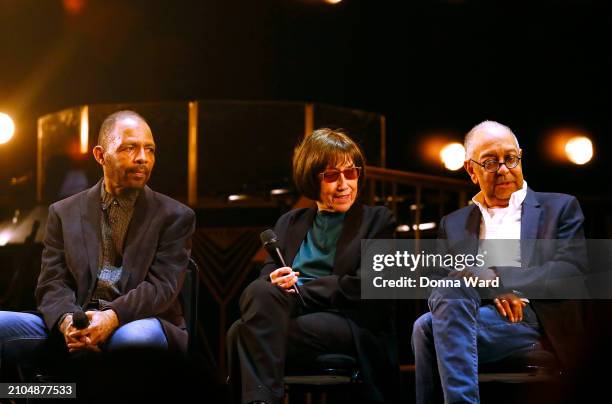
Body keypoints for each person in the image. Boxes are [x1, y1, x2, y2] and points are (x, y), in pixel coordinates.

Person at [0, 110, 195, 373]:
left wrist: (110, 318)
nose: (143, 158)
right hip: (74, 325)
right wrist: (67, 321)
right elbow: (51, 283)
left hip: (137, 321)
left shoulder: (175, 216)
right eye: (129, 148)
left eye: (150, 150)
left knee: (133, 341)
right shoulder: (63, 212)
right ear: (100, 155)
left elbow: (161, 288)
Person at [411, 120, 588, 403]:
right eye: (491, 162)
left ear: (520, 156)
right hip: (469, 314)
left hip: (533, 321)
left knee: (427, 327)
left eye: (510, 158)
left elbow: (569, 270)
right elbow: (435, 282)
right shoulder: (453, 223)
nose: (504, 169)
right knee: (428, 321)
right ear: (471, 170)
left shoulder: (560, 207)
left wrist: (499, 280)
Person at [227, 128, 398, 404]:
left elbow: (366, 286)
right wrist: (277, 280)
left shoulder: (377, 220)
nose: (344, 184)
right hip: (289, 313)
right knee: (260, 292)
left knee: (242, 332)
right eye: (331, 176)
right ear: (311, 179)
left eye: (351, 173)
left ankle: (260, 401)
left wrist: (303, 291)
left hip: (346, 320)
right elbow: (267, 278)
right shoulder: (290, 222)